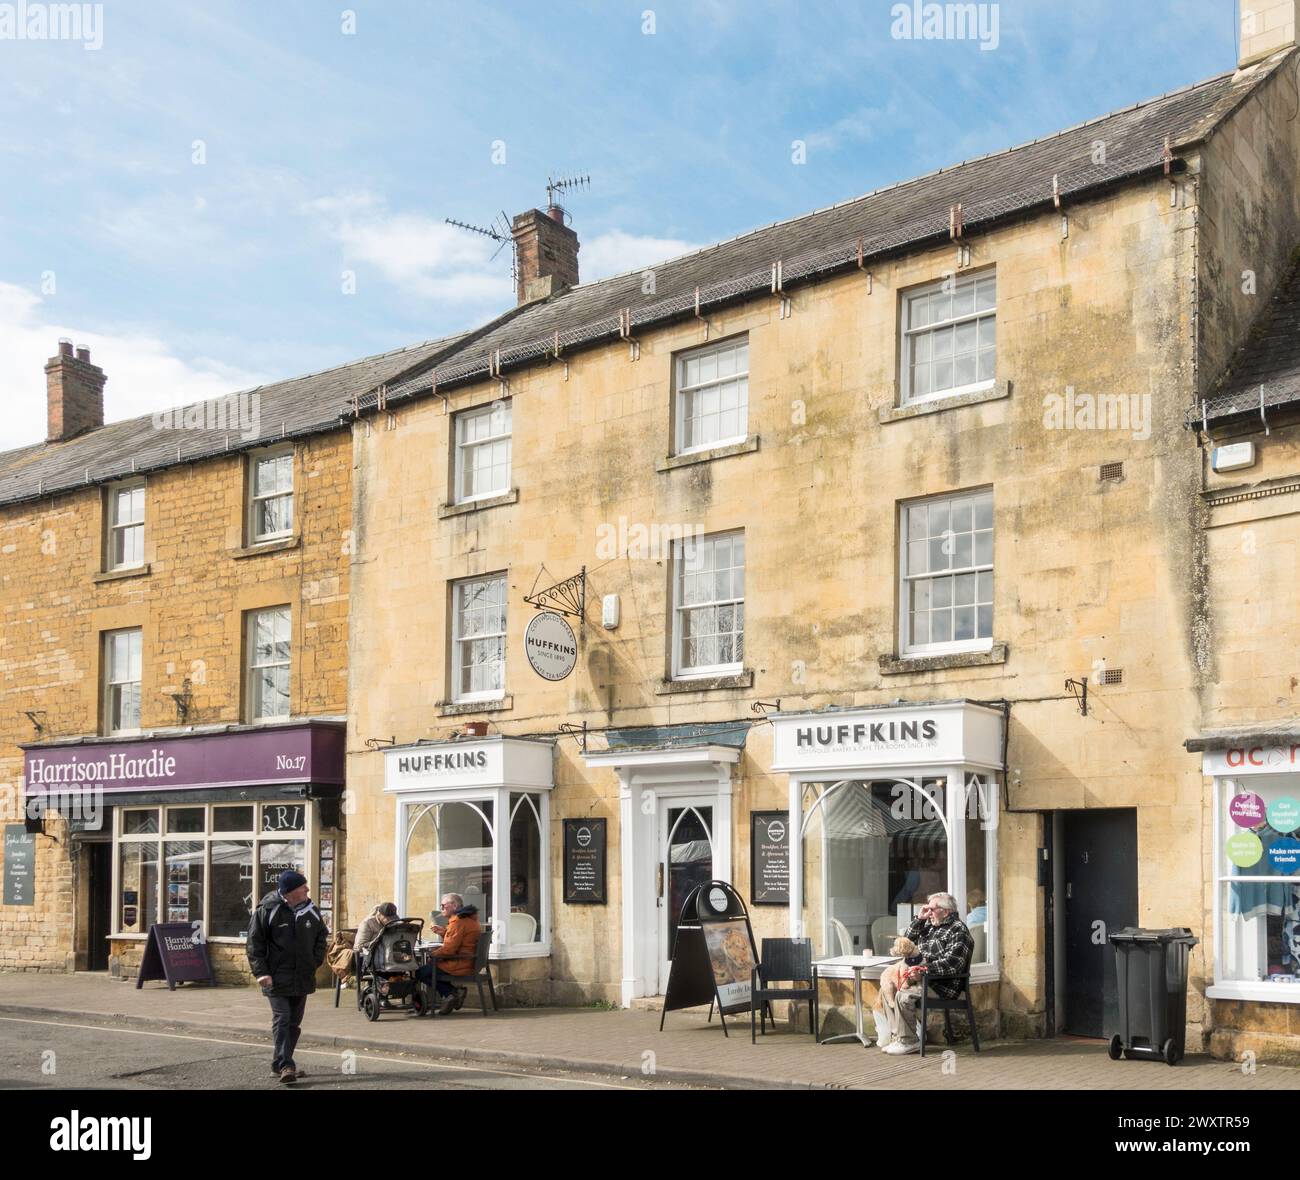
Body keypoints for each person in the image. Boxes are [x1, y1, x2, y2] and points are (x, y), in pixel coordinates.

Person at [246, 869, 329, 1083]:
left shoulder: (311, 910)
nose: (307, 889)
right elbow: (255, 944)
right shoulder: (268, 910)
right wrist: (261, 972)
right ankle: (286, 1065)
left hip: (302, 976)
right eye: (303, 887)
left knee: (293, 1023)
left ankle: (279, 1064)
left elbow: (322, 935)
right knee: (282, 1018)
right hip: (275, 976)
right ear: (290, 891)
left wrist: (314, 961)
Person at [880, 891, 973, 1056]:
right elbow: (905, 944)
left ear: (946, 911)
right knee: (887, 990)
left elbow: (953, 964)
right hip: (921, 980)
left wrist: (923, 971)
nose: (929, 913)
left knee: (904, 996)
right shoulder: (928, 925)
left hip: (941, 985)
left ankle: (909, 1041)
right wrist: (919, 919)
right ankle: (899, 1037)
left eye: (932, 909)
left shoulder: (959, 931)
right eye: (927, 909)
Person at [415, 892, 482, 1015]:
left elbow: (449, 950)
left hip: (460, 963)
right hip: (470, 961)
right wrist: (444, 932)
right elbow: (461, 940)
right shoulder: (469, 920)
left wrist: (432, 954)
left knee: (420, 973)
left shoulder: (457, 922)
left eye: (443, 905)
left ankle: (451, 993)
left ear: (455, 906)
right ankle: (453, 993)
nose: (441, 908)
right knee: (430, 969)